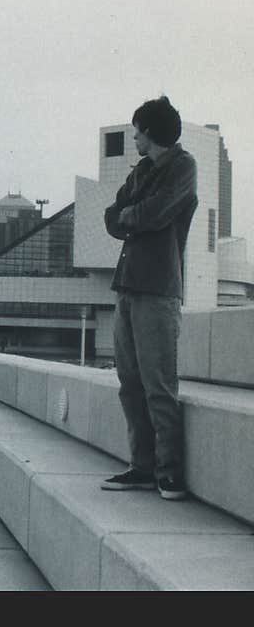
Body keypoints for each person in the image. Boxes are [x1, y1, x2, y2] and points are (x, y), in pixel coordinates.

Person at [100, 96, 198, 501]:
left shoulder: (183, 167)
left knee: (159, 383)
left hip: (158, 289)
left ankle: (168, 471)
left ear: (151, 131)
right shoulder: (140, 170)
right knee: (130, 382)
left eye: (137, 128)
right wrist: (130, 215)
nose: (134, 135)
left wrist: (129, 215)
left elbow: (155, 213)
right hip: (127, 285)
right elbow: (111, 215)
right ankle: (141, 466)